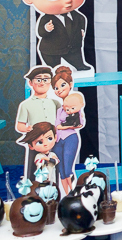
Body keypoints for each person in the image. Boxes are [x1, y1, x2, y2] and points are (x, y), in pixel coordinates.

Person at [52, 66, 84, 194]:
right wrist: (65, 126)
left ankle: (73, 192)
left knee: (68, 168)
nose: (59, 90)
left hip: (70, 138)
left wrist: (67, 125)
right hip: (58, 140)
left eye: (62, 85)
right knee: (61, 170)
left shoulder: (76, 106)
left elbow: (79, 124)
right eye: (56, 88)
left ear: (70, 85)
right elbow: (57, 126)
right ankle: (66, 194)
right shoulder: (60, 109)